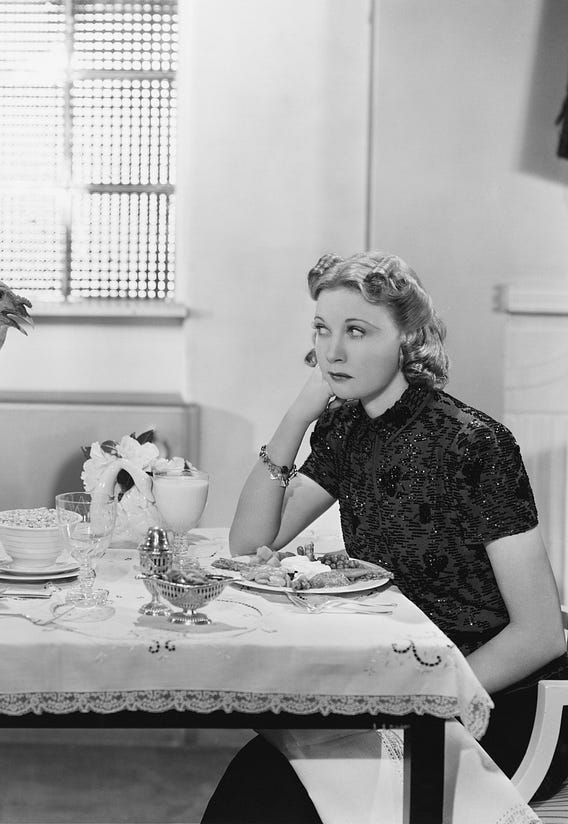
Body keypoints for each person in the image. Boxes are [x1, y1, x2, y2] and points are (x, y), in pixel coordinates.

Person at [202, 251, 568, 824]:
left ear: (407, 339)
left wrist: (423, 696)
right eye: (323, 330)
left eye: (357, 330)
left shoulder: (476, 442)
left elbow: (541, 634)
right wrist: (297, 417)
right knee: (258, 783)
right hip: (399, 681)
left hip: (497, 698)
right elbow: (250, 543)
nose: (333, 351)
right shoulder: (346, 426)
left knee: (271, 794)